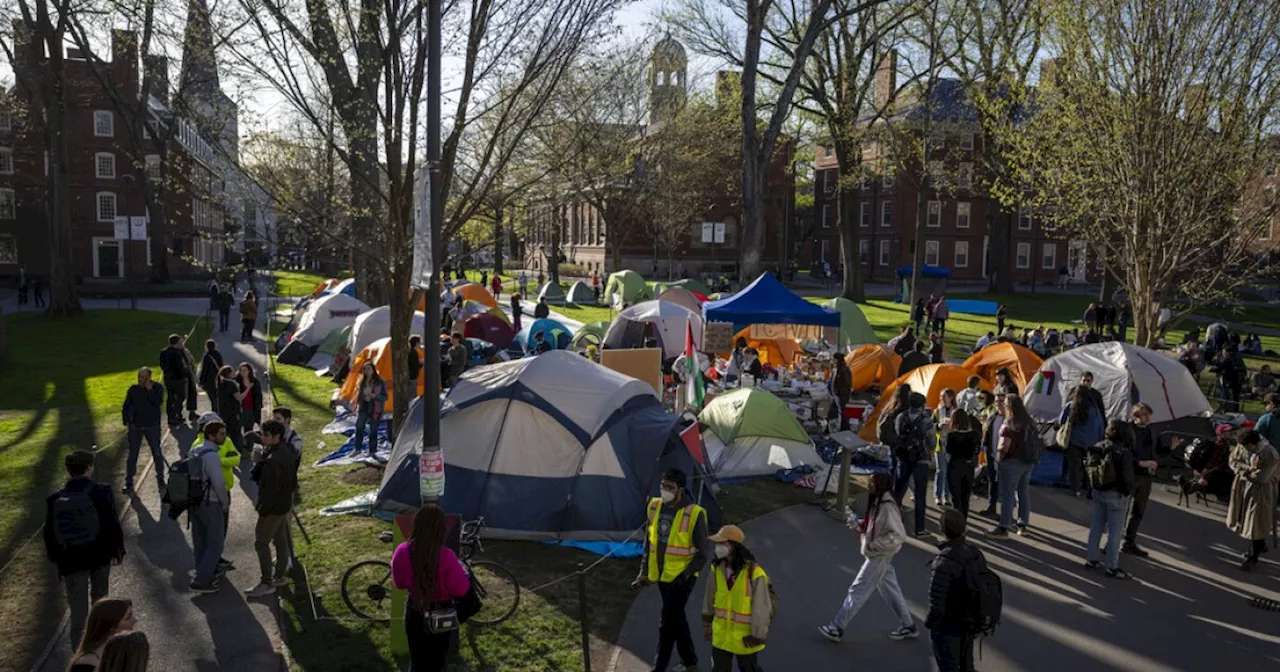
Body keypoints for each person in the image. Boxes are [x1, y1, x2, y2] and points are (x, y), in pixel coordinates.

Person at [818, 471, 918, 643]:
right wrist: (861, 524)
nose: (868, 485)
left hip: (878, 555)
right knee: (892, 590)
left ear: (880, 485)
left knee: (858, 590)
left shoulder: (887, 506)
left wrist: (874, 544)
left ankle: (837, 627)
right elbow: (879, 524)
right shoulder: (880, 501)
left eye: (872, 482)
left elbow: (898, 535)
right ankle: (908, 625)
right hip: (881, 556)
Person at [43, 451, 125, 647]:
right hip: (99, 555)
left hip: (71, 560)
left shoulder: (55, 499)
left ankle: (79, 655)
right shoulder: (101, 491)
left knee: (78, 612)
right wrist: (117, 549)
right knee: (100, 602)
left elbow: (50, 533)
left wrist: (57, 559)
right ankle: (102, 647)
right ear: (89, 467)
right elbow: (111, 523)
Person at [637, 468, 708, 672]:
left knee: (667, 622)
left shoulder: (695, 514)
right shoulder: (654, 506)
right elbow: (649, 542)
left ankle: (659, 667)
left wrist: (684, 576)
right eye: (663, 486)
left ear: (680, 490)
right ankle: (690, 662)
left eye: (670, 487)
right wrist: (643, 571)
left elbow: (702, 554)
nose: (665, 490)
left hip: (682, 578)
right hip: (661, 575)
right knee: (676, 618)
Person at [390, 503, 471, 671]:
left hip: (414, 612)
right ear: (440, 529)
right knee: (437, 661)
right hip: (441, 614)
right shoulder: (446, 556)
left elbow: (399, 584)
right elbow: (461, 589)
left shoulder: (402, 551)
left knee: (417, 660)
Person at [699, 525, 771, 672]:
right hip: (721, 637)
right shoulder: (716, 568)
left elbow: (761, 607)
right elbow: (709, 597)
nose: (718, 547)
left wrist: (757, 635)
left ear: (734, 545)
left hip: (744, 639)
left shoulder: (755, 573)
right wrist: (706, 624)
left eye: (722, 543)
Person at [927, 509, 985, 672]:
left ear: (942, 529)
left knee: (948, 666)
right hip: (970, 620)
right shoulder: (974, 552)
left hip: (949, 625)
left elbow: (936, 602)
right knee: (967, 665)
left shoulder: (943, 561)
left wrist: (931, 624)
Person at [246, 420, 298, 597]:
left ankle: (267, 581)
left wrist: (262, 509)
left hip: (272, 508)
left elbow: (269, 489)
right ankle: (280, 576)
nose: (263, 438)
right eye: (262, 434)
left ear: (276, 436)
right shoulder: (286, 450)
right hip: (285, 505)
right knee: (281, 541)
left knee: (261, 543)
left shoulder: (272, 460)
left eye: (266, 435)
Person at [1083, 421, 1136, 579]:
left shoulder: (1098, 446)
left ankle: (1091, 559)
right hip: (1117, 494)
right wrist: (1128, 492)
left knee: (1096, 526)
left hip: (1099, 491)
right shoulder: (1122, 452)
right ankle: (1111, 566)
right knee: (1115, 531)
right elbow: (1127, 478)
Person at [1123, 403, 1171, 558]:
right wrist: (1140, 462)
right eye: (1144, 415)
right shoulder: (1128, 430)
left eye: (1148, 415)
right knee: (1121, 511)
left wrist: (1171, 447)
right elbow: (1124, 454)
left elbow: (1157, 450)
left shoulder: (1151, 430)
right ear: (1136, 416)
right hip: (1131, 475)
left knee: (1138, 511)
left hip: (1146, 477)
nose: (1148, 418)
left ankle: (1129, 542)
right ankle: (1112, 542)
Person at [1227, 430, 1279, 570]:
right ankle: (1260, 545)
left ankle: (1253, 556)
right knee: (1244, 519)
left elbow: (1262, 477)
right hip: (1242, 486)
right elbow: (1233, 460)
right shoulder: (1242, 446)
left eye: (1246, 447)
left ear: (1253, 444)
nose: (1243, 449)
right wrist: (1245, 469)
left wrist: (1245, 472)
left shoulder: (1270, 454)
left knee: (1255, 520)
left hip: (1261, 491)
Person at [190, 421, 231, 592]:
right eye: (221, 434)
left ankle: (203, 571)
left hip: (194, 503)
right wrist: (225, 503)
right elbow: (219, 484)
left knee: (200, 542)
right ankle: (201, 580)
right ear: (211, 436)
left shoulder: (195, 451)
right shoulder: (212, 457)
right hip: (211, 503)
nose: (224, 436)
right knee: (215, 544)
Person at [989, 396, 1036, 538]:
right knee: (1023, 492)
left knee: (1007, 494)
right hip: (1027, 461)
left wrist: (998, 461)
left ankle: (1004, 526)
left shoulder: (1009, 423)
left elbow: (1004, 446)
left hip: (1011, 462)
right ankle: (1022, 524)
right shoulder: (1029, 422)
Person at [894, 391, 936, 536]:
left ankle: (892, 521)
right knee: (920, 494)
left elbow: (898, 433)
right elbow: (932, 442)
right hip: (920, 459)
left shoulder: (901, 417)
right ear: (922, 404)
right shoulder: (926, 420)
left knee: (898, 490)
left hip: (904, 456)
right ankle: (919, 528)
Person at [121, 367, 165, 495]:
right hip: (136, 428)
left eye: (144, 377)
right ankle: (129, 482)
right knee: (132, 455)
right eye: (140, 376)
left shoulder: (157, 388)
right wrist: (127, 421)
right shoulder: (133, 390)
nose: (141, 379)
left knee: (156, 452)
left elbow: (158, 402)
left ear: (150, 377)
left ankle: (160, 478)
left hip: (152, 426)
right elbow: (126, 406)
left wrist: (149, 390)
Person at [1060, 379, 1106, 497]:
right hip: (1091, 442)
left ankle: (1075, 488)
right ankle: (1087, 487)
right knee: (1088, 465)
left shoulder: (1071, 406)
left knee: (1074, 465)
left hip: (1074, 440)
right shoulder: (1095, 409)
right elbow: (1100, 426)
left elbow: (1061, 421)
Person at [68, 598, 136, 672]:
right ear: (111, 626)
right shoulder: (87, 664)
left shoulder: (117, 650)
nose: (135, 620)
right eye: (128, 617)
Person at [945, 409, 981, 518]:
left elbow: (948, 450)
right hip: (969, 466)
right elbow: (977, 450)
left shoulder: (951, 435)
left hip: (955, 465)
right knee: (965, 497)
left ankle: (957, 521)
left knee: (956, 498)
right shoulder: (975, 434)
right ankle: (963, 520)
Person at [352, 362, 387, 458]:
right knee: (359, 427)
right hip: (364, 406)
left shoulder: (380, 382)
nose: (366, 371)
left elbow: (384, 397)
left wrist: (374, 396)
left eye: (368, 369)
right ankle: (357, 449)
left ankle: (372, 451)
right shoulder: (362, 381)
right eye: (365, 369)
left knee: (373, 430)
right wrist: (356, 405)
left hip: (375, 407)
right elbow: (358, 395)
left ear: (373, 370)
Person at [978, 390, 1004, 517]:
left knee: (1005, 485)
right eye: (997, 401)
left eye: (1002, 401)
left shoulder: (1010, 418)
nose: (999, 404)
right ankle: (991, 506)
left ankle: (1006, 513)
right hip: (992, 454)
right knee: (992, 481)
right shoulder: (993, 416)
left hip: (1005, 457)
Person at [933, 389, 958, 507]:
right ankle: (937, 496)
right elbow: (932, 426)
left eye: (945, 396)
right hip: (940, 443)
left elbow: (960, 426)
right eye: (941, 396)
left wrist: (952, 426)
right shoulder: (937, 411)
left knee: (949, 471)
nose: (942, 398)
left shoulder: (956, 412)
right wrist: (938, 425)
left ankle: (946, 496)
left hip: (952, 444)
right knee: (940, 470)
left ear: (951, 397)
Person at [158, 333, 189, 426]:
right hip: (178, 379)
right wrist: (185, 374)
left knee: (170, 398)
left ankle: (172, 417)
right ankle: (176, 414)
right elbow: (180, 366)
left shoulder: (163, 352)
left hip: (168, 379)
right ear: (176, 343)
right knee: (181, 397)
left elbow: (163, 366)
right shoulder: (177, 353)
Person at [215, 366, 245, 451]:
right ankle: (239, 450)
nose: (234, 373)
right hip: (233, 412)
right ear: (228, 374)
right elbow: (239, 398)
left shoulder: (221, 383)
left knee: (227, 432)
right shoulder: (232, 384)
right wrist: (248, 389)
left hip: (223, 412)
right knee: (236, 433)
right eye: (232, 372)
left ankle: (227, 449)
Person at [237, 363, 264, 437]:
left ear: (249, 371)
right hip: (239, 410)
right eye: (241, 370)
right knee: (237, 430)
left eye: (245, 370)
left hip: (250, 410)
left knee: (249, 432)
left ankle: (249, 447)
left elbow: (259, 397)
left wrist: (258, 410)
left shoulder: (255, 382)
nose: (242, 372)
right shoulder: (236, 381)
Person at [198, 339, 223, 406]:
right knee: (217, 395)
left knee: (212, 397)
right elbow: (221, 366)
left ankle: (214, 408)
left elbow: (204, 370)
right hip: (217, 378)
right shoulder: (218, 354)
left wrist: (201, 381)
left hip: (209, 380)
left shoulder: (207, 356)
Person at [832, 354, 852, 431]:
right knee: (836, 410)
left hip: (841, 395)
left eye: (834, 359)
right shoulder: (838, 368)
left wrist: (840, 392)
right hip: (838, 394)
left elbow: (846, 383)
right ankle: (840, 427)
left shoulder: (842, 369)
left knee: (841, 411)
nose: (833, 361)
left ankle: (844, 428)